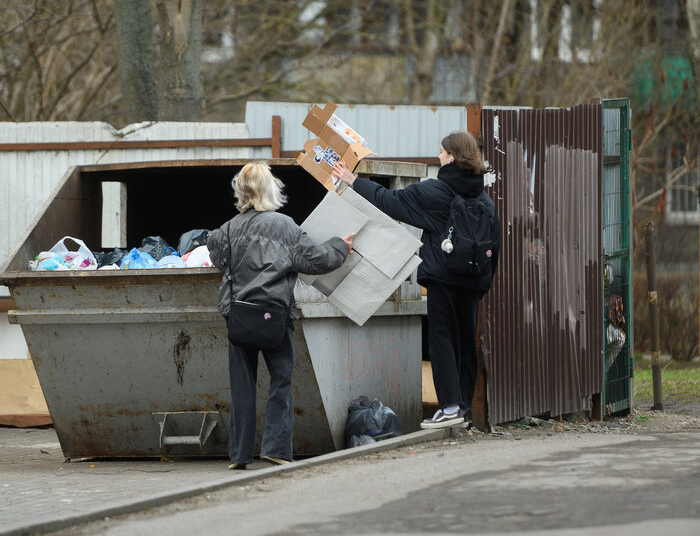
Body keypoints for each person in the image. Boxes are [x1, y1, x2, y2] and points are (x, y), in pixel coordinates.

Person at [331, 131, 499, 429]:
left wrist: (352, 181)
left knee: (442, 339)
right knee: (464, 342)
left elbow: (390, 200)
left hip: (444, 278)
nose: (438, 156)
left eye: (441, 152)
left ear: (451, 157)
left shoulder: (437, 191)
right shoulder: (484, 197)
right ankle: (461, 407)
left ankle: (448, 407)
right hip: (473, 281)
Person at [207, 162, 354, 469]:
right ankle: (275, 449)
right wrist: (341, 245)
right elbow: (317, 260)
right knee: (281, 380)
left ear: (241, 191)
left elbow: (216, 252)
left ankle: (239, 455)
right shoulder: (285, 226)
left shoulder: (229, 229)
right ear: (270, 188)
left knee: (242, 385)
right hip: (273, 315)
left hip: (238, 316)